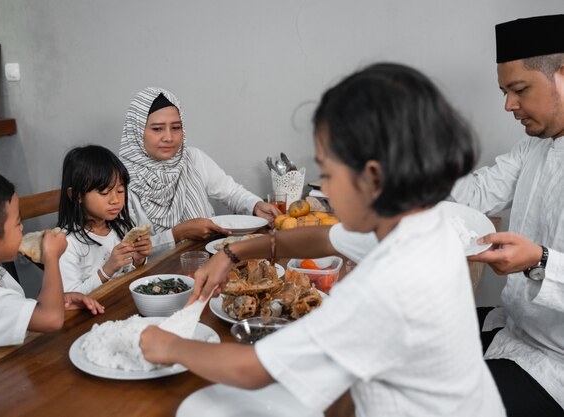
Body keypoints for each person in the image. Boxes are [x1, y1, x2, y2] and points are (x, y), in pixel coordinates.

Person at [139, 63, 505, 416]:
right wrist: (233, 253)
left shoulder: (388, 284)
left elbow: (253, 369)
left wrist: (168, 344)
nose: (323, 188)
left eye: (327, 173)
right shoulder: (421, 225)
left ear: (372, 177)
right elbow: (326, 238)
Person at [449, 14, 564, 416]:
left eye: (518, 90)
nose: (508, 105)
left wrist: (540, 261)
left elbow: (542, 262)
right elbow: (477, 195)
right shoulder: (534, 146)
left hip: (556, 363)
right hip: (515, 327)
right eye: (505, 91)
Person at [0, 168, 104, 373]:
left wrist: (52, 302)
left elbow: (2, 313)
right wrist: (52, 258)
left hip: (1, 372)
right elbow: (51, 320)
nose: (23, 229)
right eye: (18, 223)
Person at [119, 87, 281, 255]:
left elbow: (231, 192)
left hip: (209, 260)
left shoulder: (192, 158)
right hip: (155, 276)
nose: (169, 137)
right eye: (157, 129)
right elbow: (127, 252)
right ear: (136, 131)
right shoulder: (120, 181)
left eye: (176, 127)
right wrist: (177, 234)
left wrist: (255, 205)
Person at [57, 145, 152, 294]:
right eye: (104, 192)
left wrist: (138, 260)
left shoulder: (123, 228)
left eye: (120, 190)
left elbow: (129, 277)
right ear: (77, 195)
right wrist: (106, 271)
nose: (115, 199)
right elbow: (70, 297)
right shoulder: (66, 244)